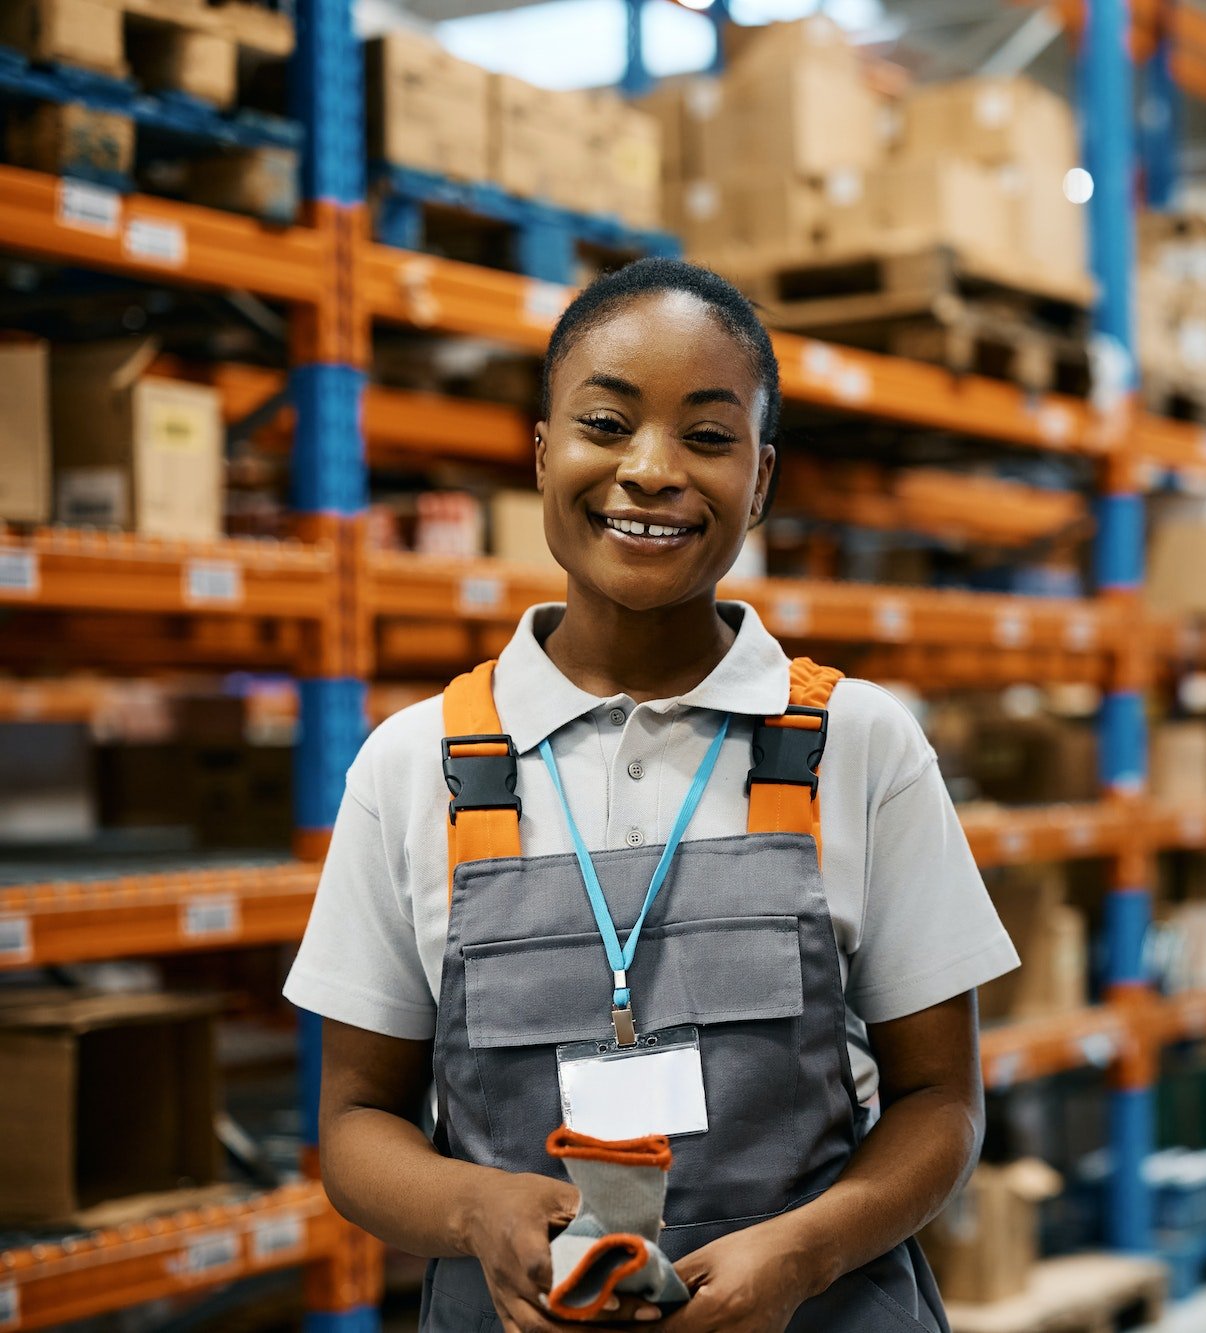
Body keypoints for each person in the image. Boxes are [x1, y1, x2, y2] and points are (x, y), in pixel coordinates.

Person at [282, 258, 1020, 1332]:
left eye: (708, 438)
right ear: (541, 454)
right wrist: (470, 1206)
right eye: (604, 422)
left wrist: (807, 1251)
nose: (650, 470)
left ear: (760, 480)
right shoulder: (412, 767)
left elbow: (940, 1101)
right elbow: (354, 1122)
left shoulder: (856, 746)